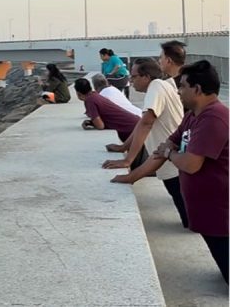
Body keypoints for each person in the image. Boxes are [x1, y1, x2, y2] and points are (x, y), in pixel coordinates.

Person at [152, 60, 228, 283]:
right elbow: (169, 142)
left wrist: (170, 154)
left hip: (220, 210)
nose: (178, 91)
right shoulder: (193, 115)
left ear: (197, 89)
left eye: (183, 86)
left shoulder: (214, 118)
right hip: (206, 209)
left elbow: (191, 164)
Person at [102, 59, 188, 228]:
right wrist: (124, 147)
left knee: (193, 221)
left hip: (174, 167)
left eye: (134, 77)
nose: (130, 81)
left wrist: (128, 161)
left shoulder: (156, 86)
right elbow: (143, 122)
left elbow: (147, 122)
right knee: (191, 216)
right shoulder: (162, 85)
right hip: (169, 163)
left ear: (146, 77)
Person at [74, 79, 140, 159]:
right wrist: (92, 122)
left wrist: (93, 123)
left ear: (78, 93)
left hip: (131, 129)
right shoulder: (95, 95)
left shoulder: (89, 100)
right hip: (135, 123)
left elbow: (100, 126)